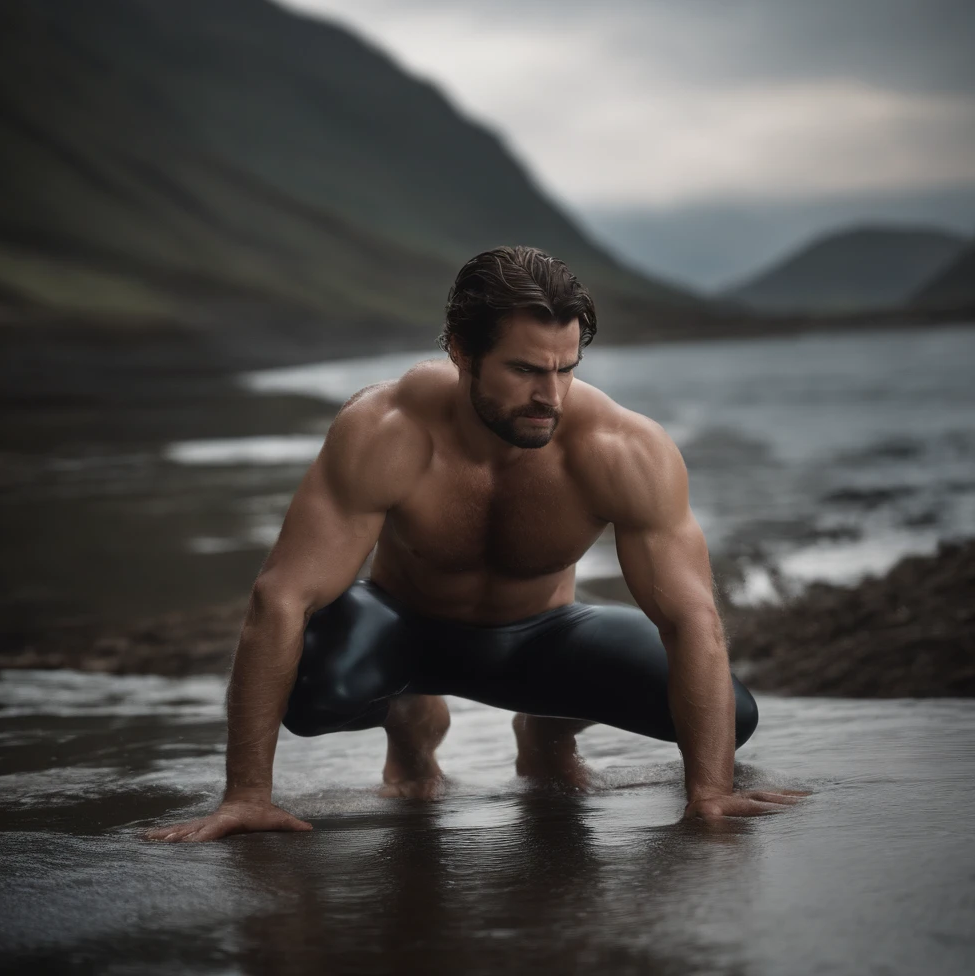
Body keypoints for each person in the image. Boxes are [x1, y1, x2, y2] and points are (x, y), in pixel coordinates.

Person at [146, 246, 806, 843]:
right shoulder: (386, 428)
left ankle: (545, 726)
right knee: (313, 685)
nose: (549, 397)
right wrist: (247, 796)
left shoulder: (622, 449)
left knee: (731, 713)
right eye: (523, 370)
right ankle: (409, 718)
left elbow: (691, 618)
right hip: (403, 629)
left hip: (539, 638)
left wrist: (711, 790)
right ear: (461, 349)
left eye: (565, 369)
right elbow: (280, 597)